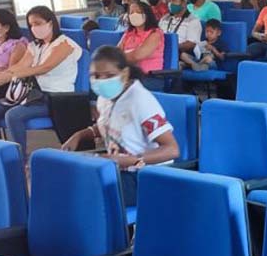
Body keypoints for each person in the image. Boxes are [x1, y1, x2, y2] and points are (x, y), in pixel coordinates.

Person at [61, 46, 179, 208]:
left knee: (85, 192)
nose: (101, 80)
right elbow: (107, 126)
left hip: (146, 176)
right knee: (67, 178)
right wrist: (80, 135)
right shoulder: (106, 97)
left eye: (109, 76)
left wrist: (135, 159)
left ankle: (109, 233)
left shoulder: (141, 101)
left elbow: (172, 149)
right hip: (119, 170)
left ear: (124, 74)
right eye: (95, 76)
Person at [0, 6, 83, 155]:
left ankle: (19, 158)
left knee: (13, 115)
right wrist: (5, 74)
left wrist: (10, 75)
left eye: (38, 23)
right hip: (32, 95)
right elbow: (20, 66)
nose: (34, 28)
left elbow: (44, 68)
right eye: (31, 25)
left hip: (56, 97)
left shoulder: (65, 44)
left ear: (51, 23)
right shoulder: (34, 46)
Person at [118, 1, 164, 74]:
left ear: (147, 14)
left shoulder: (155, 33)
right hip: (128, 75)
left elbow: (137, 56)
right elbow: (117, 50)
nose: (134, 15)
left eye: (138, 12)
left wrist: (119, 57)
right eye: (131, 13)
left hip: (149, 77)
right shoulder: (129, 32)